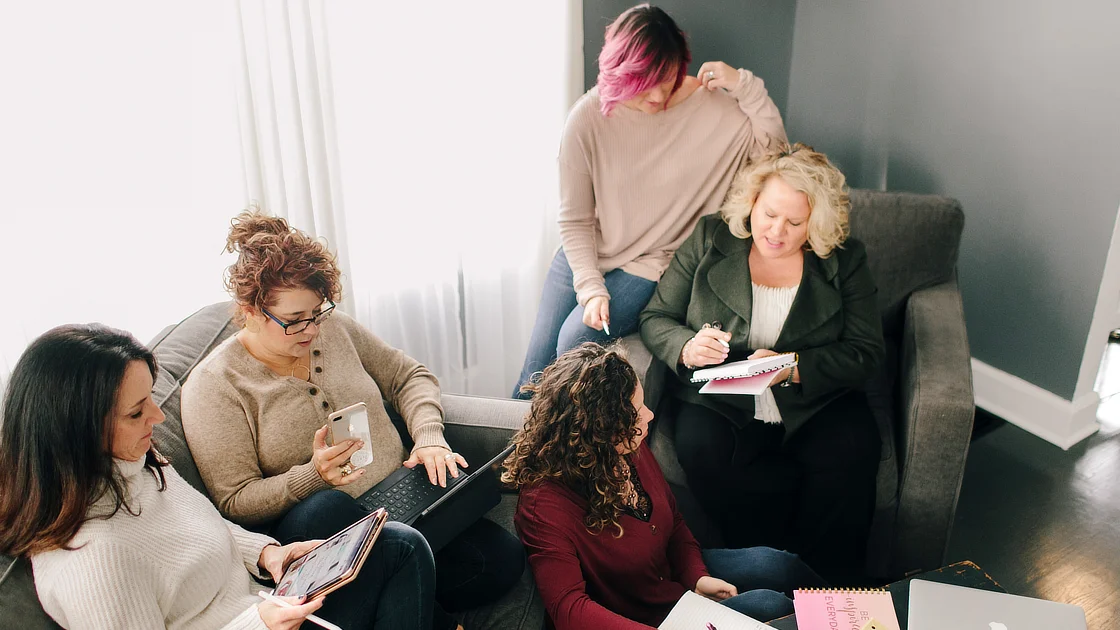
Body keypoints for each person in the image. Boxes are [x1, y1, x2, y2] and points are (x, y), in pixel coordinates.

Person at [181, 211, 523, 630]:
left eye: (318, 312)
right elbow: (234, 501)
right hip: (324, 531)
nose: (311, 330)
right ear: (249, 311)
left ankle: (394, 591)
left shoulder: (333, 329)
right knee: (326, 507)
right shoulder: (215, 385)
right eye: (293, 321)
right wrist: (312, 476)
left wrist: (429, 437)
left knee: (504, 560)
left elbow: (408, 377)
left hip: (403, 502)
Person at [0, 324, 437, 630]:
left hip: (265, 603)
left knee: (396, 545)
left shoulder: (133, 464)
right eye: (136, 412)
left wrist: (269, 555)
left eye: (150, 398)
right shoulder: (94, 560)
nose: (156, 416)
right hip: (259, 620)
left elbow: (200, 526)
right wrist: (257, 624)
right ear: (76, 431)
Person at [513, 3, 788, 398]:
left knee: (572, 341)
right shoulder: (587, 118)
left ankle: (556, 455)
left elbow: (775, 155)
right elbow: (574, 220)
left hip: (650, 264)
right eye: (646, 80)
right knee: (532, 373)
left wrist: (746, 85)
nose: (658, 94)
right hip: (587, 249)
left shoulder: (715, 109)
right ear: (620, 73)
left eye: (669, 77)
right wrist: (590, 287)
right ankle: (509, 459)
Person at [639, 144, 885, 580]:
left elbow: (867, 352)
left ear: (817, 224)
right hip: (720, 396)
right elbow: (657, 317)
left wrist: (793, 366)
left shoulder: (846, 260)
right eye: (768, 213)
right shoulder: (709, 237)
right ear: (751, 201)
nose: (776, 231)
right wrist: (687, 347)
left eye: (795, 222)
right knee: (700, 447)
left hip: (816, 400)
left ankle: (827, 588)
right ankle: (764, 569)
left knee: (853, 449)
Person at [505, 343, 826, 629]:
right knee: (772, 606)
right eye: (635, 412)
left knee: (780, 565)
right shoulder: (544, 506)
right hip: (641, 617)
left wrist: (696, 576)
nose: (649, 415)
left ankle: (857, 614)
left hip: (673, 577)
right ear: (599, 432)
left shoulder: (628, 445)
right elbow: (569, 610)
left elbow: (674, 523)